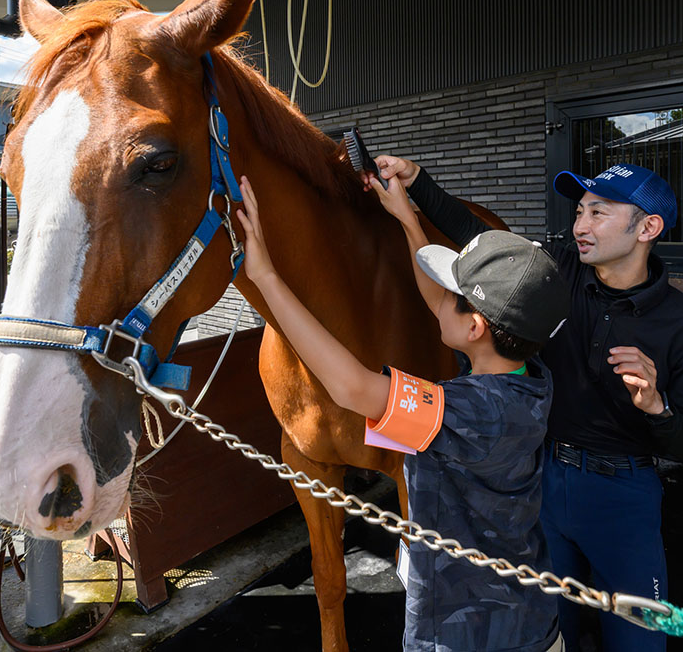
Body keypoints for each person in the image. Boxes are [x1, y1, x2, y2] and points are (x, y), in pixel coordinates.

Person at [367, 158, 683, 652]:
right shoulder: (560, 268)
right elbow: (477, 241)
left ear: (648, 227)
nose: (580, 225)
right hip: (539, 481)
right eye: (579, 211)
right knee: (540, 633)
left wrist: (656, 407)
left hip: (622, 495)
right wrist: (418, 185)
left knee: (640, 640)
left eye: (598, 213)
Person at [235, 173, 567, 652]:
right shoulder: (531, 378)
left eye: (453, 293)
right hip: (529, 617)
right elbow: (439, 305)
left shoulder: (462, 411)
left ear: (475, 327)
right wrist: (410, 221)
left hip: (468, 631)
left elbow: (351, 387)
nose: (435, 303)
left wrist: (266, 277)